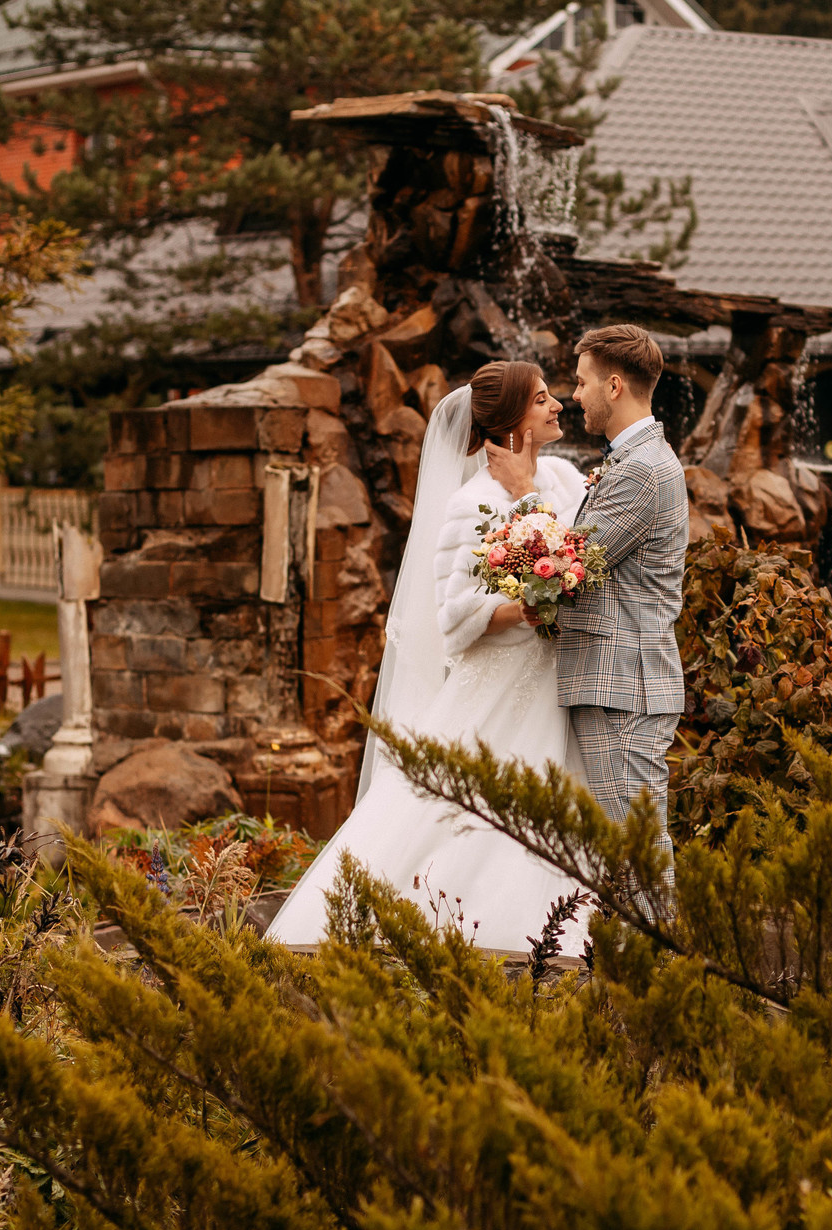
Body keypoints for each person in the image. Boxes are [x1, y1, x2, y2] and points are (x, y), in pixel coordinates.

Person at [268, 360, 590, 951]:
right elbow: (458, 614)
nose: (557, 406)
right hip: (501, 682)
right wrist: (531, 608)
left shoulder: (569, 483)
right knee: (468, 812)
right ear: (513, 418)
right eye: (542, 399)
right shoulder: (474, 503)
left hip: (557, 680)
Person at [487, 323, 686, 859]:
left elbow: (565, 564)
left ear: (614, 386)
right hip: (617, 682)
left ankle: (657, 943)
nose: (574, 396)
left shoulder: (640, 471)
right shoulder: (630, 461)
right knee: (626, 845)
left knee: (634, 847)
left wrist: (524, 491)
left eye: (581, 382)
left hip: (625, 685)